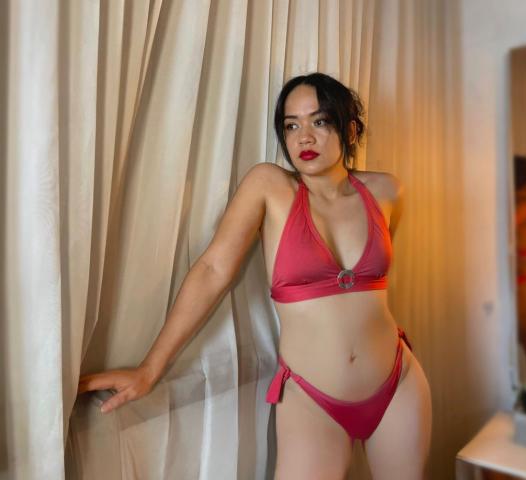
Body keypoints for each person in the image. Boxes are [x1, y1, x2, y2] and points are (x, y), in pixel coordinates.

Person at [78, 72, 432, 478]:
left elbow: (369, 287)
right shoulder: (270, 186)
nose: (304, 137)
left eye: (320, 121)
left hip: (396, 385)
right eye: (291, 126)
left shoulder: (386, 191)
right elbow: (213, 270)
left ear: (350, 129)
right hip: (312, 400)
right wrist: (149, 369)